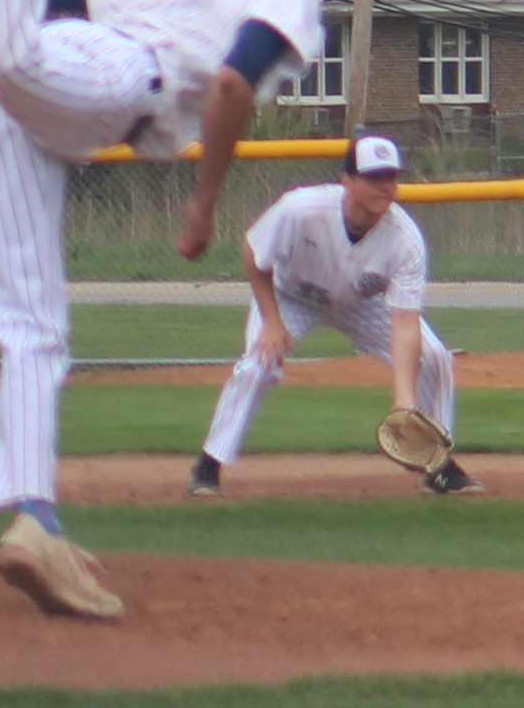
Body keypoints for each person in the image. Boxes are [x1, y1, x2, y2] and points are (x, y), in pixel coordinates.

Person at [0, 0, 403, 618]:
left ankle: (35, 521)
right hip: (117, 81)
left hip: (40, 108)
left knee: (34, 325)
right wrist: (203, 204)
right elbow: (235, 84)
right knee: (6, 49)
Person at [190, 131, 469, 495]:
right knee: (258, 362)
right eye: (373, 178)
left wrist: (404, 400)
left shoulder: (405, 238)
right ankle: (208, 465)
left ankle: (437, 465)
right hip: (292, 296)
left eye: (391, 177)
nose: (386, 186)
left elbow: (405, 323)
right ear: (347, 182)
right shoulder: (301, 209)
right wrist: (272, 322)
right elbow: (253, 253)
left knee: (434, 358)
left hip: (361, 303)